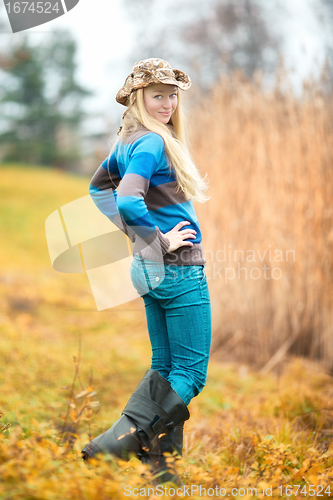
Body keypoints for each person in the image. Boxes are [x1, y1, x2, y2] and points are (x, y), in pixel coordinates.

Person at [82, 58, 212, 485]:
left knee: (166, 368)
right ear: (139, 98)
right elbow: (126, 199)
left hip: (150, 272)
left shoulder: (128, 141)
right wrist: (159, 240)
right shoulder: (153, 142)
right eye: (158, 95)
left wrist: (140, 241)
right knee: (190, 375)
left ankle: (163, 473)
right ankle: (118, 442)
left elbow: (98, 187)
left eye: (173, 94)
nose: (168, 103)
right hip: (175, 269)